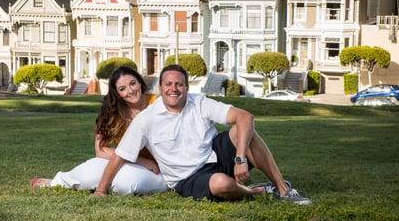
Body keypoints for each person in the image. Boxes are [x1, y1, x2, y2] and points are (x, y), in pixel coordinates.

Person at [93, 64, 311, 205]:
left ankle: (284, 190)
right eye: (168, 84)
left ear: (187, 87)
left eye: (179, 84)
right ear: (160, 87)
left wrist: (240, 157)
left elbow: (245, 117)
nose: (174, 89)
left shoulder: (199, 102)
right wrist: (101, 190)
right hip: (188, 177)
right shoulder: (146, 119)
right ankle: (255, 191)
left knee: (243, 128)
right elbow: (119, 156)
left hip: (215, 153)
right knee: (220, 184)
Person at [30, 66, 168, 195]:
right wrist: (139, 160)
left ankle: (103, 184)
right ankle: (58, 182)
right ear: (117, 93)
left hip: (160, 168)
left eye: (133, 83)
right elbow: (100, 150)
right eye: (122, 88)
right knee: (91, 170)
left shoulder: (158, 104)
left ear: (140, 82)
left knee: (128, 183)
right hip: (131, 162)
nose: (130, 91)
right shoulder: (114, 111)